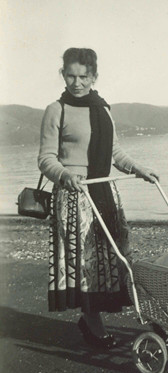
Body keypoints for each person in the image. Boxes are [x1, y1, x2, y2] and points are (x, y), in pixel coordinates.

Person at [38, 48, 159, 349]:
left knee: (121, 257)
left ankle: (154, 316)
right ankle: (93, 325)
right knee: (87, 263)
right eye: (70, 75)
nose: (77, 82)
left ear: (94, 76)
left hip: (105, 193)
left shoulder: (103, 108)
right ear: (62, 74)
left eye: (83, 76)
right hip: (74, 195)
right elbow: (45, 158)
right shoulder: (56, 109)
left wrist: (139, 169)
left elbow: (116, 153)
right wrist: (66, 176)